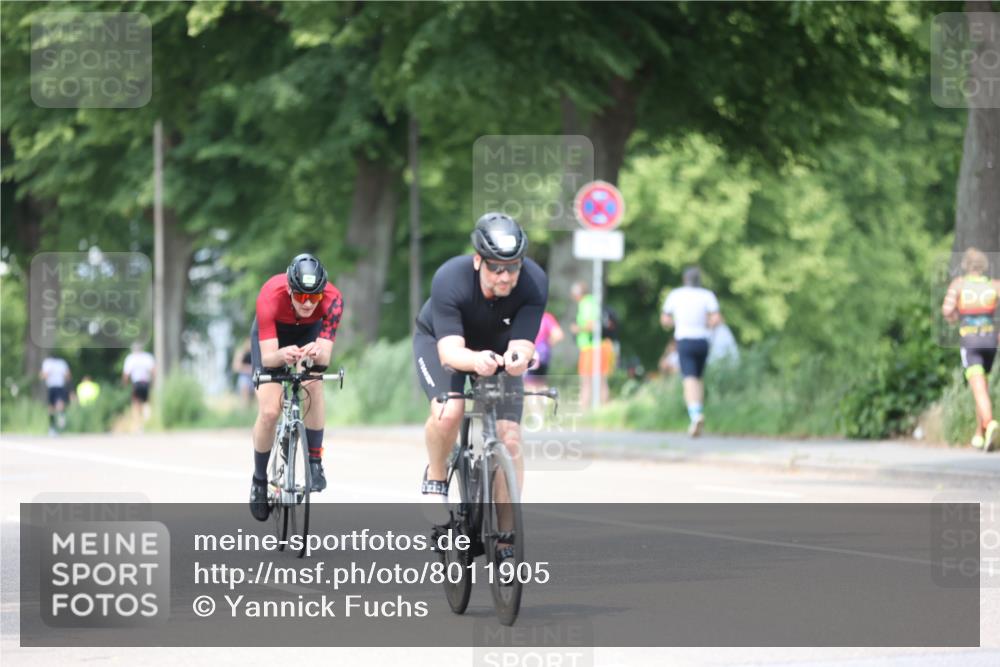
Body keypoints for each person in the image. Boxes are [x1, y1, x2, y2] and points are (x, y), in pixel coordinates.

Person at [412, 213, 547, 563]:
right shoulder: (450, 278)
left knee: (511, 438)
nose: (505, 276)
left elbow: (525, 343)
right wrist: (475, 361)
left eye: (512, 267)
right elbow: (450, 352)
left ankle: (505, 541)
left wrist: (518, 357)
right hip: (445, 343)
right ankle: (437, 478)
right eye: (495, 268)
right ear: (478, 261)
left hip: (496, 351)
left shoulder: (533, 282)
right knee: (450, 409)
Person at [249, 253, 344, 521]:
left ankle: (315, 462)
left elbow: (324, 357)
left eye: (314, 297)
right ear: (290, 290)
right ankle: (258, 480)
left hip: (308, 332)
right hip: (274, 337)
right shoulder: (270, 294)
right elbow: (268, 358)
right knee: (270, 411)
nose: (308, 303)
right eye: (301, 296)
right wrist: (282, 355)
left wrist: (314, 353)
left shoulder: (334, 300)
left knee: (313, 383)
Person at [941, 247, 1000, 450]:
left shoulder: (959, 285)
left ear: (966, 266)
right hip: (991, 341)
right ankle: (980, 434)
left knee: (978, 386)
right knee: (981, 386)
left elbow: (947, 310)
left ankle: (990, 423)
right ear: (983, 266)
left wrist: (956, 317)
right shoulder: (994, 285)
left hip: (971, 341)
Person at [660, 266, 721, 437]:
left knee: (688, 378)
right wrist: (706, 325)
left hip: (685, 340)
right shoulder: (707, 295)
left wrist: (676, 322)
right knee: (698, 378)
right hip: (702, 340)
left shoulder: (676, 295)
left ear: (684, 280)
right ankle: (698, 411)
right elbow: (716, 318)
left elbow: (665, 319)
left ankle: (695, 415)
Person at [570, 281, 614, 409]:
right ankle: (603, 409)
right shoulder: (592, 302)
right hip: (597, 346)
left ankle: (584, 410)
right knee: (600, 380)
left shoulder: (586, 304)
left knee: (587, 381)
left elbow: (591, 325)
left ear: (578, 294)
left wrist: (577, 329)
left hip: (591, 347)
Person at [525, 311, 564, 388]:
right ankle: (541, 398)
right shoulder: (546, 317)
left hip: (531, 354)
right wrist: (547, 344)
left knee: (529, 383)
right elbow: (558, 334)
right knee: (541, 382)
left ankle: (533, 398)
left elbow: (558, 335)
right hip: (543, 355)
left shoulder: (525, 316)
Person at [122, 343, 156, 430]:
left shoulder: (131, 358)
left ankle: (138, 425)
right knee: (147, 402)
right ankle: (147, 421)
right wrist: (154, 382)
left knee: (136, 404)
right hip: (146, 383)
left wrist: (125, 384)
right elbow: (153, 370)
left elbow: (126, 374)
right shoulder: (147, 357)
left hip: (136, 384)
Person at [40, 355, 71, 435]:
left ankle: (53, 426)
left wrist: (46, 374)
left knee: (51, 408)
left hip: (53, 386)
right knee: (56, 405)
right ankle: (59, 419)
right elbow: (68, 376)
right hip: (58, 386)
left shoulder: (47, 363)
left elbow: (43, 376)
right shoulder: (62, 363)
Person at [231, 338, 254, 406]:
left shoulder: (255, 353)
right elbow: (235, 367)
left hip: (255, 375)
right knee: (244, 386)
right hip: (245, 376)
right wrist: (248, 369)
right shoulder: (241, 353)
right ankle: (244, 408)